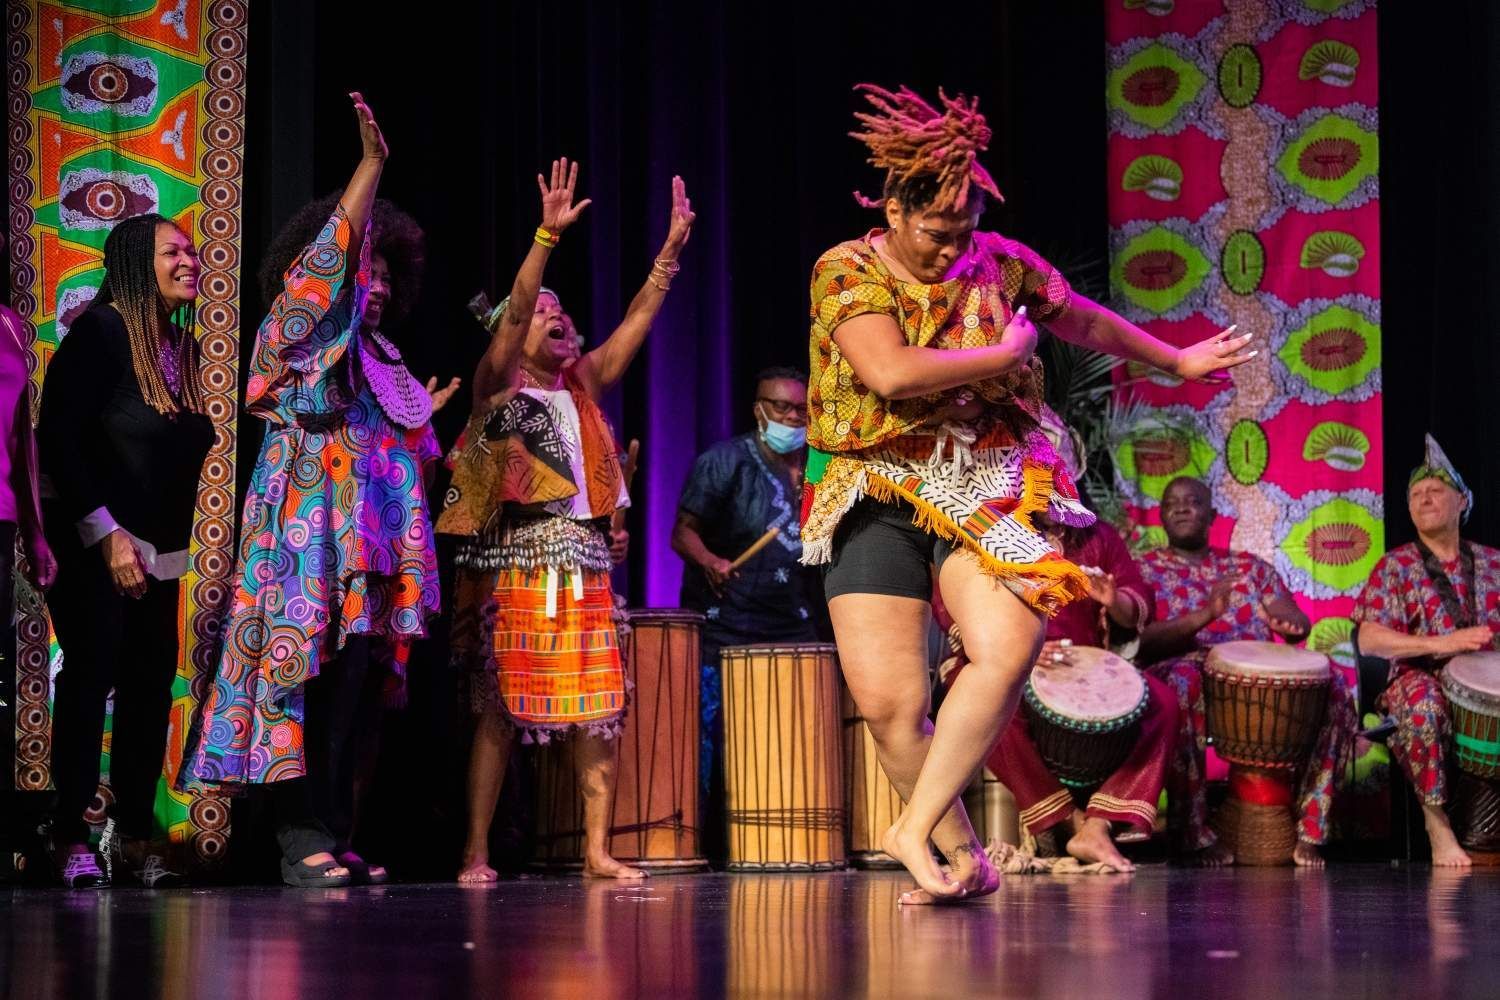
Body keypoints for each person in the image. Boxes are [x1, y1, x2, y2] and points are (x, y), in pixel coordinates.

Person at [802, 84, 1253, 902]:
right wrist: (1004, 355)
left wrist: (1176, 360)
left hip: (986, 477)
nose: (953, 248)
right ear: (895, 211)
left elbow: (1079, 319)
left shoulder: (999, 262)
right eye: (938, 232)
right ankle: (964, 854)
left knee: (1007, 644)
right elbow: (891, 371)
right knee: (890, 705)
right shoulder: (846, 268)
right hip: (873, 484)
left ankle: (909, 829)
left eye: (966, 228)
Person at [182, 94, 443, 887]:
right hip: (302, 543)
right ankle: (296, 839)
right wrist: (369, 169)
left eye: (388, 276)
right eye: (367, 272)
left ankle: (334, 827)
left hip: (363, 550)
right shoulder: (291, 335)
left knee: (354, 692)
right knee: (304, 676)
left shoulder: (384, 358)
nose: (377, 287)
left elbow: (401, 458)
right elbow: (325, 269)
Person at [440, 164, 694, 882]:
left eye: (566, 311)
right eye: (546, 312)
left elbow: (638, 320)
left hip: (584, 565)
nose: (561, 316)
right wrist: (547, 235)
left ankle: (596, 850)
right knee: (500, 710)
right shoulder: (499, 388)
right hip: (517, 561)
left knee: (598, 710)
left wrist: (668, 254)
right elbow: (515, 310)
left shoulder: (581, 386)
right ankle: (477, 850)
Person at [37, 212, 212, 887]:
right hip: (98, 546)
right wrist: (107, 534)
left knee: (146, 687)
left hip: (160, 553)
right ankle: (68, 832)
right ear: (138, 262)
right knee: (90, 679)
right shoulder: (103, 333)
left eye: (193, 250)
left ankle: (133, 835)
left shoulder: (180, 348)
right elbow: (59, 437)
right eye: (173, 251)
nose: (189, 259)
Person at [1137, 475, 1354, 868]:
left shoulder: (1248, 567)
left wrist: (1292, 624)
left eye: (1193, 501)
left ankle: (1312, 830)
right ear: (1163, 518)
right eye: (1173, 504)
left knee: (1336, 683)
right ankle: (1192, 833)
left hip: (1256, 680)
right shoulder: (1146, 570)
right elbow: (1142, 643)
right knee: (1181, 684)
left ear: (1212, 514)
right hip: (1188, 668)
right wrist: (1206, 615)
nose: (1183, 508)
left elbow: (1288, 612)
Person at [937, 513, 1173, 871]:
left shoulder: (1096, 536)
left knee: (1163, 703)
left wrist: (1114, 600)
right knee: (988, 702)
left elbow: (1135, 597)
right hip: (999, 657)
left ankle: (1098, 824)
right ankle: (1072, 822)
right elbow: (948, 599)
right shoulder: (987, 525)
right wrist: (1016, 649)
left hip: (1082, 665)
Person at [672, 365, 821, 858]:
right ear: (759, 409)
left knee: (793, 744)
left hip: (795, 625)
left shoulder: (820, 467)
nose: (792, 417)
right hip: (726, 626)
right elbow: (682, 532)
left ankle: (790, 843)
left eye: (801, 408)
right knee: (713, 745)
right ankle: (708, 846)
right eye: (782, 407)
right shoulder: (724, 461)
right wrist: (711, 560)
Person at [1352, 435, 1499, 868]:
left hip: (1484, 686)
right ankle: (1438, 828)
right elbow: (1369, 639)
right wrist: (1442, 644)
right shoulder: (1395, 566)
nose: (1424, 498)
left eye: (1435, 490)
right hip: (1415, 680)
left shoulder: (1493, 563)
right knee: (1424, 706)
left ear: (1462, 501)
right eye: (1416, 494)